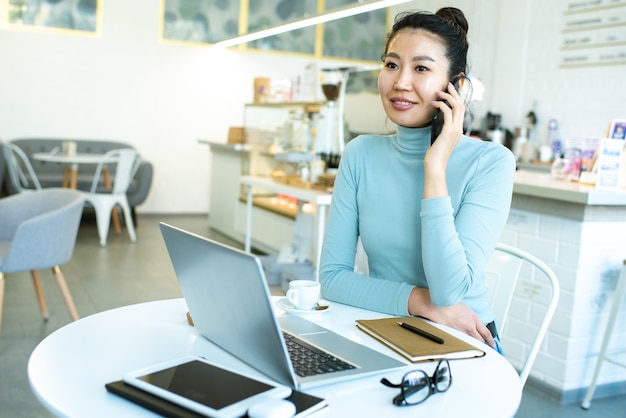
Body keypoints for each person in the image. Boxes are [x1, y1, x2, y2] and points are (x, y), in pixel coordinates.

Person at [319, 8, 516, 353]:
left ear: (455, 87)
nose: (400, 82)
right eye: (392, 65)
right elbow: (333, 278)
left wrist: (435, 166)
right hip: (383, 326)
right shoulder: (360, 153)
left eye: (421, 68)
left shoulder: (492, 162)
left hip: (464, 340)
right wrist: (421, 303)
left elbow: (448, 291)